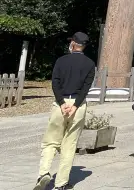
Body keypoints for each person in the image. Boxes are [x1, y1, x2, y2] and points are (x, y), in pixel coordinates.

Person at [33, 32, 95, 190]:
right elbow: (85, 89)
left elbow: (55, 84)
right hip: (78, 105)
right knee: (69, 144)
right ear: (84, 46)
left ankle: (44, 173)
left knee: (50, 141)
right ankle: (61, 183)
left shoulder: (61, 61)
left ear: (73, 44)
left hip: (60, 104)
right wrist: (75, 106)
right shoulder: (89, 64)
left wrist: (61, 103)